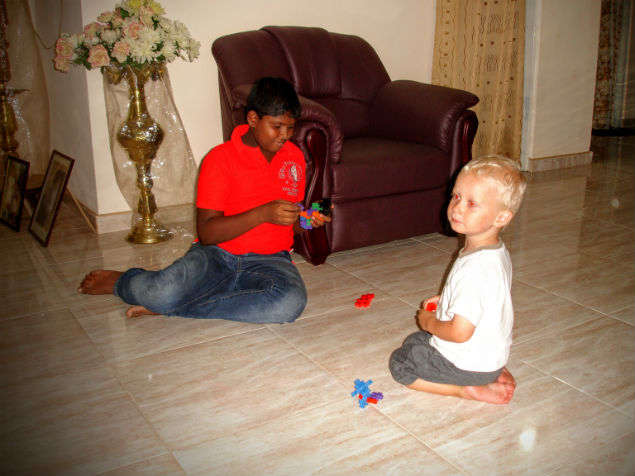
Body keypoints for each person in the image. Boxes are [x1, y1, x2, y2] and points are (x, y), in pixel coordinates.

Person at [78, 77, 331, 323]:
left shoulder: (294, 157)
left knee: (289, 304)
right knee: (159, 292)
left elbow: (291, 223)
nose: (285, 135)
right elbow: (208, 233)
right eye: (277, 126)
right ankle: (125, 282)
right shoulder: (219, 159)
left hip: (272, 259)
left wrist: (308, 220)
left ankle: (173, 307)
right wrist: (263, 214)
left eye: (291, 127)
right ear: (253, 118)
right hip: (216, 255)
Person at [389, 155, 527, 404]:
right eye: (456, 196)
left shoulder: (474, 269)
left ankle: (468, 389)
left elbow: (460, 333)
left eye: (472, 204)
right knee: (414, 342)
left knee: (401, 362)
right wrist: (446, 301)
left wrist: (430, 321)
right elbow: (486, 300)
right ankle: (489, 373)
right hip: (489, 357)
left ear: (501, 218)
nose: (457, 207)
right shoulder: (495, 251)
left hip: (469, 363)